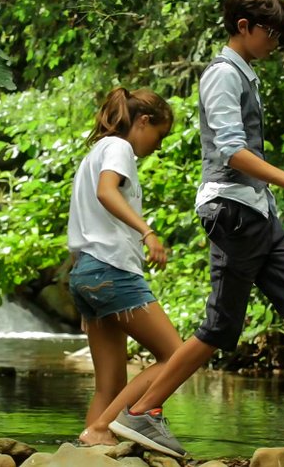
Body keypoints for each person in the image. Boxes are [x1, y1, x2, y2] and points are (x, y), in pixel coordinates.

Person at [108, 0, 284, 461]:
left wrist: (277, 198)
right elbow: (232, 153)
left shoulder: (246, 74)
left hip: (258, 212)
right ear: (244, 27)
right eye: (271, 33)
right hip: (233, 211)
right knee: (220, 326)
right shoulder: (222, 75)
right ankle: (143, 411)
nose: (275, 43)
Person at [67, 87, 184, 447]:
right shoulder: (119, 147)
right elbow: (107, 191)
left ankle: (89, 452)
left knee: (109, 385)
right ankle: (103, 428)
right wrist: (148, 231)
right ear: (143, 121)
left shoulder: (94, 153)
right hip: (110, 271)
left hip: (86, 273)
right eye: (160, 135)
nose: (159, 145)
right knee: (177, 356)